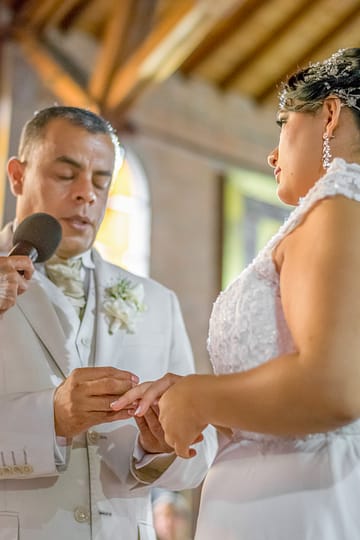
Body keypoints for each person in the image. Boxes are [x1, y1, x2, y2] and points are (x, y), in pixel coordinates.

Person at [111, 48, 360, 539]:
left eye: (283, 122)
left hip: (294, 501)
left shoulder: (338, 204)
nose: (273, 152)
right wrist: (192, 399)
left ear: (329, 114)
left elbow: (335, 386)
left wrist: (201, 397)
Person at [0, 106, 217, 540]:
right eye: (66, 175)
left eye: (101, 181)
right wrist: (51, 417)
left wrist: (160, 446)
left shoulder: (157, 302)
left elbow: (199, 457)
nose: (87, 194)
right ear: (18, 175)